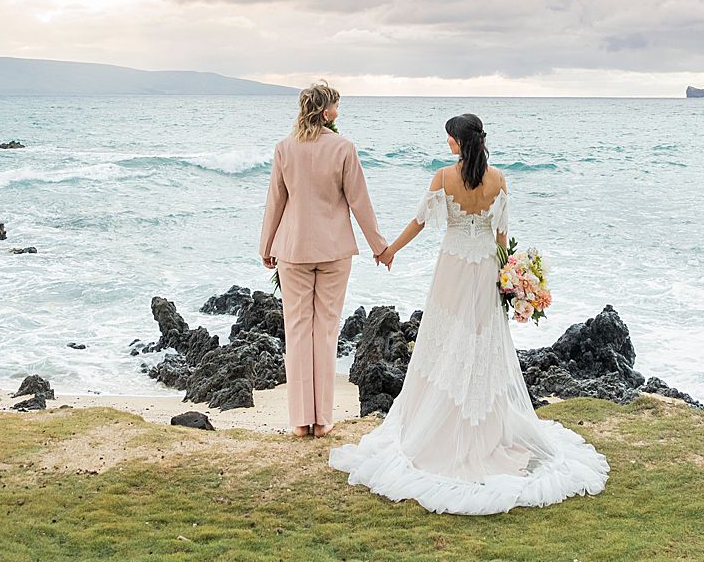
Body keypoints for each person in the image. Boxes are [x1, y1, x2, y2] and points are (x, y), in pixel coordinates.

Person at [329, 113, 609, 514]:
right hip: (485, 271)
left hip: (453, 268)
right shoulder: (498, 179)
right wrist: (513, 280)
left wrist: (389, 250)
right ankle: (485, 428)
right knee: (483, 345)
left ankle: (445, 427)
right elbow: (501, 239)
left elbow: (419, 222)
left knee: (445, 344)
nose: (446, 143)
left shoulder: (443, 177)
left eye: (448, 137)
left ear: (456, 142)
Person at [260, 80, 389, 437]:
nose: (338, 111)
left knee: (298, 330)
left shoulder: (285, 148)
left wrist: (266, 245)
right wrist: (379, 246)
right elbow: (359, 202)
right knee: (326, 330)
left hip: (293, 249)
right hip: (334, 251)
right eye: (336, 105)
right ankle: (323, 421)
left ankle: (301, 422)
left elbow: (276, 202)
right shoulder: (343, 148)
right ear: (325, 111)